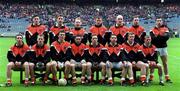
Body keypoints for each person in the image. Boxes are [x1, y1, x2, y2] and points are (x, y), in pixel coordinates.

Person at [150, 18, 172, 83]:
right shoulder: (152, 29)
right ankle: (151, 77)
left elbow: (167, 37)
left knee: (165, 63)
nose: (159, 22)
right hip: (155, 48)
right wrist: (161, 36)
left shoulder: (165, 28)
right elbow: (153, 39)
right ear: (155, 22)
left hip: (163, 48)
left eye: (160, 21)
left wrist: (157, 37)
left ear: (162, 22)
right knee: (153, 63)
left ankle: (167, 77)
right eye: (157, 21)